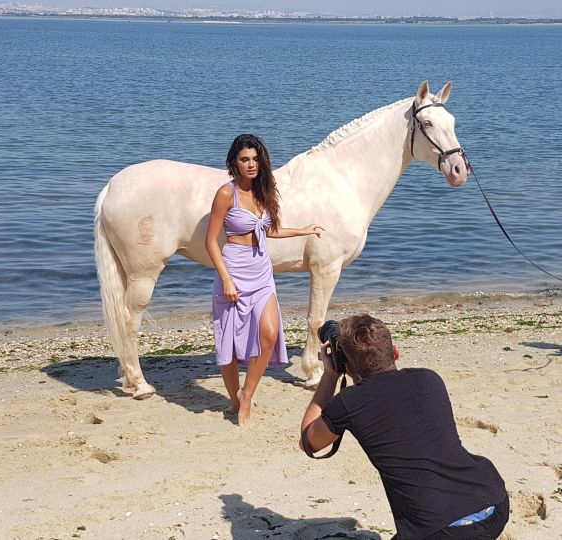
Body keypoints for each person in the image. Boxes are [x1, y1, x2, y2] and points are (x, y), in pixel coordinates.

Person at [300, 314, 508, 539]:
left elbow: (308, 441)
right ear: (396, 352)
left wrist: (330, 376)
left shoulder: (348, 402)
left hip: (441, 529)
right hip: (494, 503)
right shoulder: (430, 379)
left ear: (348, 368)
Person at [206, 134, 323, 426]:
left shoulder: (264, 193)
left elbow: (268, 231)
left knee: (269, 333)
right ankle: (234, 400)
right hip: (233, 269)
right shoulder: (226, 193)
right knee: (230, 343)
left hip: (261, 271)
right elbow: (210, 241)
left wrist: (303, 230)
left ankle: (247, 394)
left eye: (256, 159)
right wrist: (226, 278)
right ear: (234, 162)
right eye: (245, 159)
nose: (251, 165)